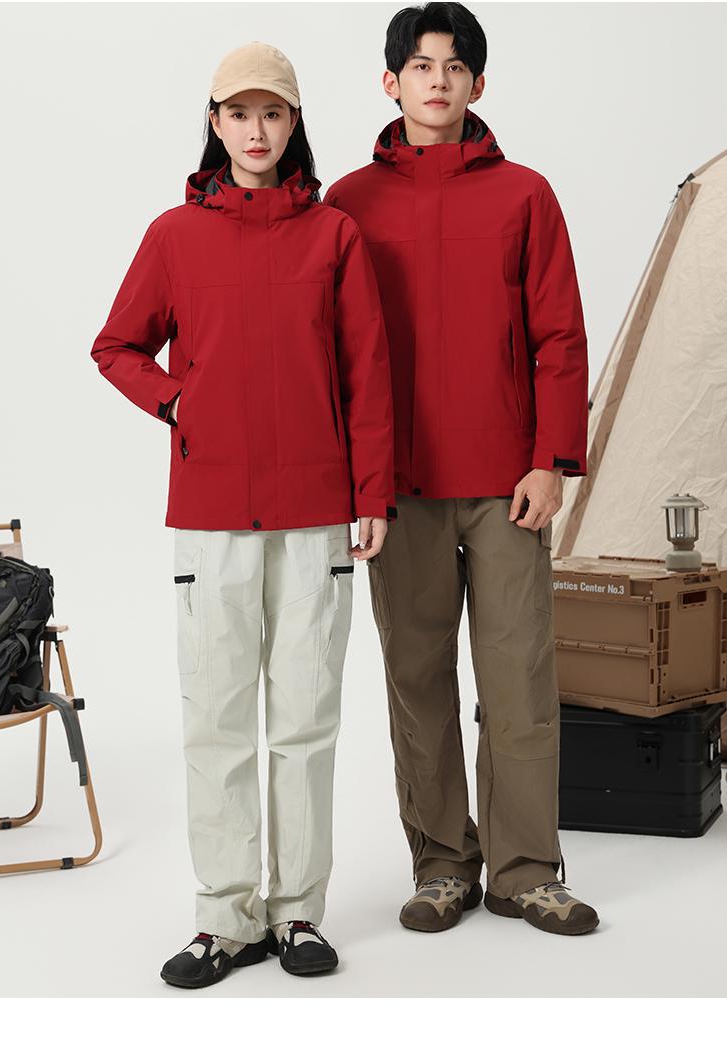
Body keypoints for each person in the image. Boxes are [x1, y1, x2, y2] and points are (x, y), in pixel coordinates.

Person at [90, 41, 396, 988]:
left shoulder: (333, 236)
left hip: (316, 515)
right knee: (217, 721)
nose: (256, 131)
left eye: (273, 113)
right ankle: (225, 919)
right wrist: (176, 398)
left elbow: (368, 372)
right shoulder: (174, 236)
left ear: (294, 124)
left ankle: (297, 913)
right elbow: (116, 345)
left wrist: (372, 493)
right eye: (239, 113)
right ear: (215, 123)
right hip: (212, 513)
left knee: (305, 721)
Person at [324, 2, 599, 936]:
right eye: (421, 64)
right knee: (417, 681)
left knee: (519, 681)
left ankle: (526, 870)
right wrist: (356, 480)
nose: (437, 80)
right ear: (390, 81)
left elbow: (559, 335)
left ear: (479, 84)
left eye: (454, 66)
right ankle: (442, 863)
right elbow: (335, 350)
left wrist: (551, 460)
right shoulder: (348, 204)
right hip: (399, 489)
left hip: (508, 484)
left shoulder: (525, 194)